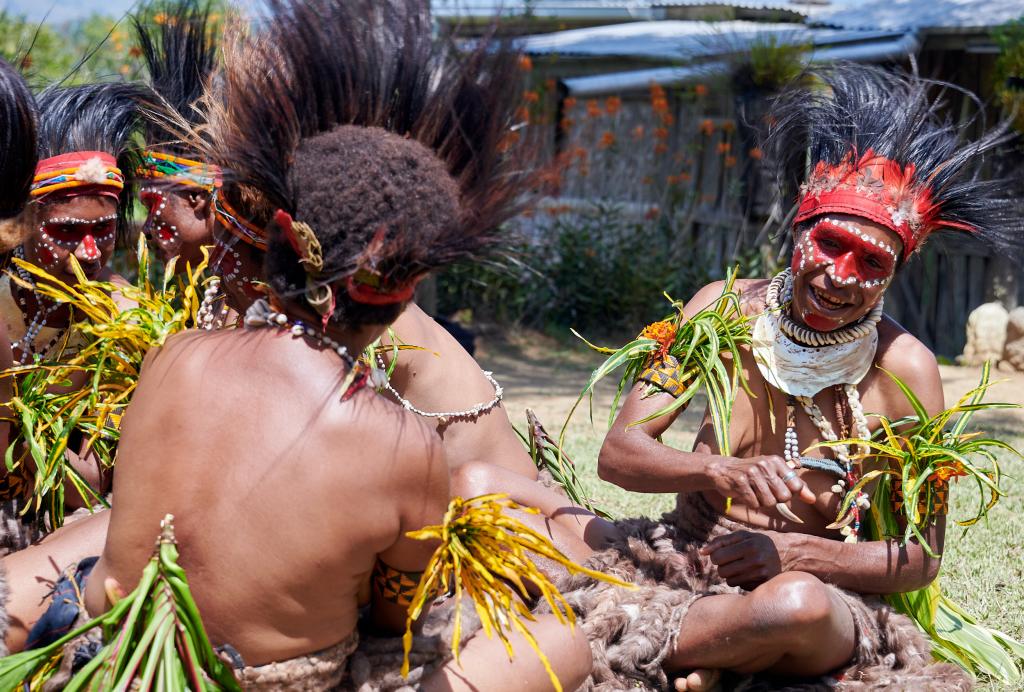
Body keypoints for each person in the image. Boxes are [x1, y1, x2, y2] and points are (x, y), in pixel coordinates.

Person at [11, 3, 593, 689]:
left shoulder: (175, 358)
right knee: (564, 641)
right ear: (406, 288)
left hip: (129, 657)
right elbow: (392, 617)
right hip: (268, 675)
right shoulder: (404, 447)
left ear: (279, 238)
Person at [552, 66, 1021, 690]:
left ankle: (696, 648)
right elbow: (618, 456)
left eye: (871, 262)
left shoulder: (906, 369)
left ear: (893, 274)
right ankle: (718, 650)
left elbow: (920, 557)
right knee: (507, 498)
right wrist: (717, 470)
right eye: (830, 245)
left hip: (817, 595)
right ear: (799, 232)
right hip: (684, 557)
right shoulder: (719, 312)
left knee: (792, 606)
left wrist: (800, 555)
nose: (840, 276)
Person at [0, 82, 150, 541]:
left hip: (66, 533)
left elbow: (92, 485)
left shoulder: (126, 319)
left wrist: (14, 422)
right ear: (23, 224)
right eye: (66, 232)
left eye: (103, 230)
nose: (89, 252)